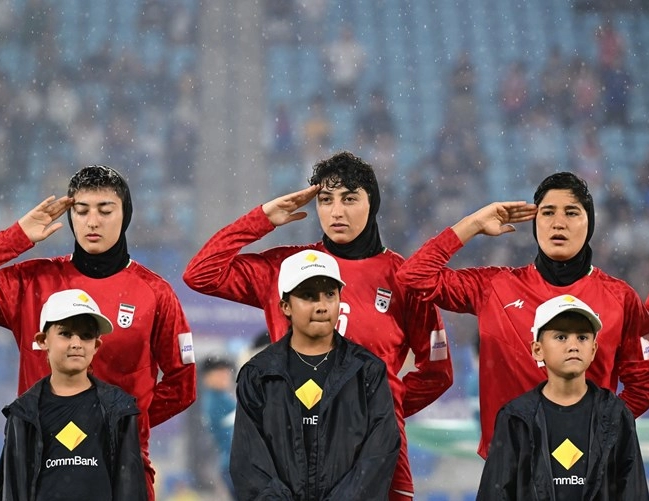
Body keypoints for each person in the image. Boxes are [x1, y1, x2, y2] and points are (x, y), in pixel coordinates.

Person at [184, 151, 452, 500]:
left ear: (372, 204)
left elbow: (437, 373)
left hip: (374, 457)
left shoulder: (404, 278)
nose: (336, 211)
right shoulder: (286, 268)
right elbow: (201, 274)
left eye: (349, 199)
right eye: (326, 200)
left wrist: (376, 409)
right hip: (291, 448)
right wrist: (262, 219)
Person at [0, 165, 196, 500]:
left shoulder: (156, 293)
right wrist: (17, 236)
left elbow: (182, 385)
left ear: (125, 215)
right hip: (37, 462)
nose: (92, 221)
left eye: (105, 211)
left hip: (119, 464)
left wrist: (123, 426)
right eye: (81, 210)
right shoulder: (33, 281)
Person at [396, 171, 649, 459]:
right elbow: (413, 277)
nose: (558, 222)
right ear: (535, 223)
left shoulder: (621, 299)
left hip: (588, 467)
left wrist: (596, 434)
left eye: (571, 212)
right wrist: (472, 224)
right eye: (547, 212)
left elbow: (643, 387)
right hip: (509, 467)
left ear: (590, 224)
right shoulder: (495, 287)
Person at [230, 249, 400, 499]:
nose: (322, 306)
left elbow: (379, 455)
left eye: (330, 294)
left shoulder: (367, 371)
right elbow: (249, 463)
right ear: (285, 306)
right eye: (308, 296)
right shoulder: (258, 375)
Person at [477, 294, 649, 500]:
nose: (573, 345)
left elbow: (633, 492)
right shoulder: (515, 417)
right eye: (561, 337)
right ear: (537, 350)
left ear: (593, 350)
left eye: (582, 337)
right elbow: (495, 494)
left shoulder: (616, 414)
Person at [0, 288, 147, 500]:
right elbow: (12, 489)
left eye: (86, 336)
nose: (76, 343)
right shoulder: (22, 414)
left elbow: (130, 489)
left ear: (96, 345)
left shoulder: (119, 409)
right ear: (42, 340)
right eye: (65, 334)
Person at [200, 354, 237, 499]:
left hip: (234, 465)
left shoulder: (223, 398)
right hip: (235, 465)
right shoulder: (215, 402)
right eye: (219, 372)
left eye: (226, 371)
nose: (225, 376)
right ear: (207, 378)